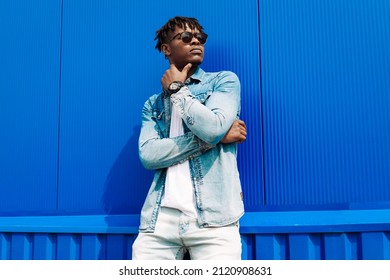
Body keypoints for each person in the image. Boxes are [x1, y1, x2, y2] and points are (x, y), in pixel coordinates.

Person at [132, 16, 247, 260]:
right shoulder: (152, 105)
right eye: (185, 37)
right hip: (159, 221)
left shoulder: (223, 81)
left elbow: (213, 128)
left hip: (215, 221)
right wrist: (213, 139)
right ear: (166, 48)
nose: (195, 40)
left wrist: (177, 90)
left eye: (200, 37)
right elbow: (149, 156)